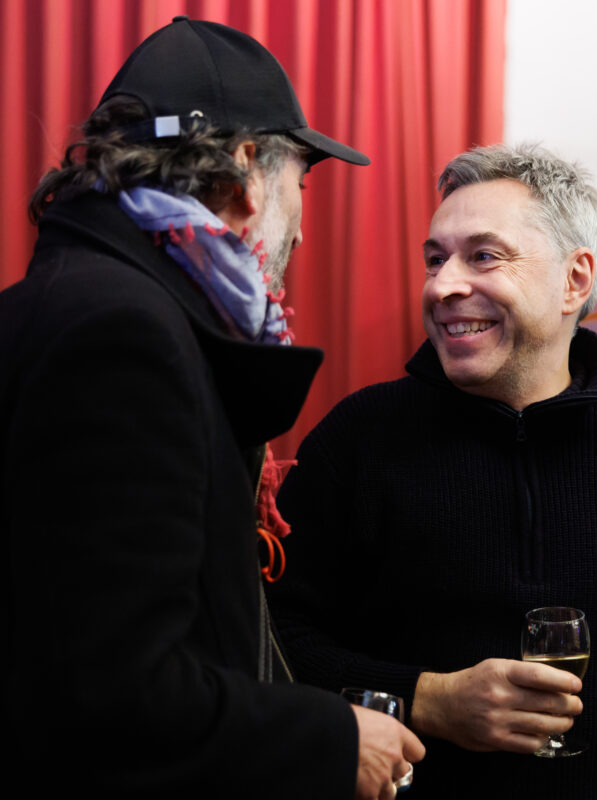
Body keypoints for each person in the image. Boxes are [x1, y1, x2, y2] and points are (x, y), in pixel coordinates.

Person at [0, 17, 423, 799]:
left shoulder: (88, 299)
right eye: (302, 183)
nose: (302, 228)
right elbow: (109, 697)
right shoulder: (121, 334)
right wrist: (333, 739)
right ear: (246, 170)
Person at [271, 143, 597, 798]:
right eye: (435, 259)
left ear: (575, 280)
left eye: (483, 256)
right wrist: (427, 698)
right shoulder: (357, 438)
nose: (442, 285)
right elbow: (269, 641)